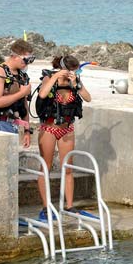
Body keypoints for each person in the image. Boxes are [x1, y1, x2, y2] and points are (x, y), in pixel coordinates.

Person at [35, 55, 92, 221]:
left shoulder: (75, 81)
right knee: (46, 166)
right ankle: (46, 207)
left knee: (68, 167)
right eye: (72, 70)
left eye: (76, 70)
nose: (74, 73)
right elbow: (43, 94)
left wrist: (77, 84)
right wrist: (54, 77)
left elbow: (88, 98)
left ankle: (69, 205)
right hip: (49, 128)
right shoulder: (49, 78)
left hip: (67, 129)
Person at [0, 39, 34, 148]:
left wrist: (27, 130)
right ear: (14, 56)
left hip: (12, 124)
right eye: (26, 59)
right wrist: (21, 93)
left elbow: (24, 104)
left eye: (31, 60)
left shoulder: (20, 75)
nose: (28, 63)